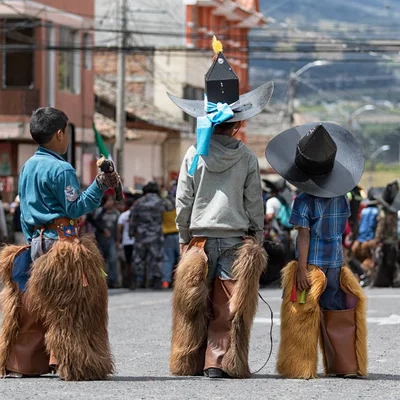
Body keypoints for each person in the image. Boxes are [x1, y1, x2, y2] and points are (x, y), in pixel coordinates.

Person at [168, 37, 272, 379]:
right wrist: (256, 235)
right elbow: (253, 202)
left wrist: (184, 235)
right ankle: (218, 362)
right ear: (238, 123)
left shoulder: (193, 153)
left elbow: (183, 198)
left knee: (192, 304)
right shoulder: (246, 157)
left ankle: (190, 360)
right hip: (233, 240)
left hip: (198, 239)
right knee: (227, 304)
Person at [0, 107, 119, 381]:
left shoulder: (27, 167)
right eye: (68, 132)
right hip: (62, 247)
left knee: (33, 306)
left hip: (34, 242)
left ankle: (22, 363)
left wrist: (31, 239)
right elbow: (75, 208)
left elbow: (24, 210)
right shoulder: (62, 168)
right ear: (60, 134)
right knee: (72, 307)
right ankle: (70, 361)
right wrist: (99, 185)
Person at [267, 122, 367, 379]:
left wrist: (300, 268)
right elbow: (341, 232)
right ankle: (344, 365)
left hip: (311, 266)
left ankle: (300, 366)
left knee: (302, 315)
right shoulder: (341, 197)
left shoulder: (303, 200)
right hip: (334, 265)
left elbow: (303, 235)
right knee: (336, 313)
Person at [129, 182, 173, 290]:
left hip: (141, 234)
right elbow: (171, 207)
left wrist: (131, 232)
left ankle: (136, 281)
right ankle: (156, 281)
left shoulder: (138, 202)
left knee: (138, 258)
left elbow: (132, 218)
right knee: (157, 258)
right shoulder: (161, 201)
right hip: (156, 235)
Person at [371, 180, 400, 287]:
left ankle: (383, 281)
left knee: (383, 262)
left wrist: (377, 240)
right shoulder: (394, 213)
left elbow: (380, 228)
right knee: (391, 262)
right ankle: (392, 280)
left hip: (385, 241)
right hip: (393, 240)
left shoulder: (383, 213)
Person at [91, 195, 120, 288]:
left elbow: (118, 228)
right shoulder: (99, 211)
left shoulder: (116, 213)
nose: (110, 203)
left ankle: (112, 280)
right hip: (100, 240)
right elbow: (94, 221)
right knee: (100, 261)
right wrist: (103, 208)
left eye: (112, 200)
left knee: (113, 260)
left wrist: (118, 240)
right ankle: (101, 279)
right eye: (109, 200)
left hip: (111, 240)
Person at [351, 191, 379, 274]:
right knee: (370, 259)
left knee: (360, 259)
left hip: (359, 241)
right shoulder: (376, 211)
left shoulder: (364, 211)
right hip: (369, 240)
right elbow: (375, 227)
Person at [116, 197, 135, 289]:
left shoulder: (123, 215)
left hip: (126, 242)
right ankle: (136, 281)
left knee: (127, 263)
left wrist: (118, 241)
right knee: (135, 262)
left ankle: (127, 281)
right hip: (135, 241)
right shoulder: (136, 214)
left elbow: (119, 229)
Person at [162, 190, 179, 289]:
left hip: (167, 236)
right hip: (179, 235)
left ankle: (165, 282)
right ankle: (180, 283)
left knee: (167, 260)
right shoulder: (178, 207)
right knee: (181, 259)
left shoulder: (164, 209)